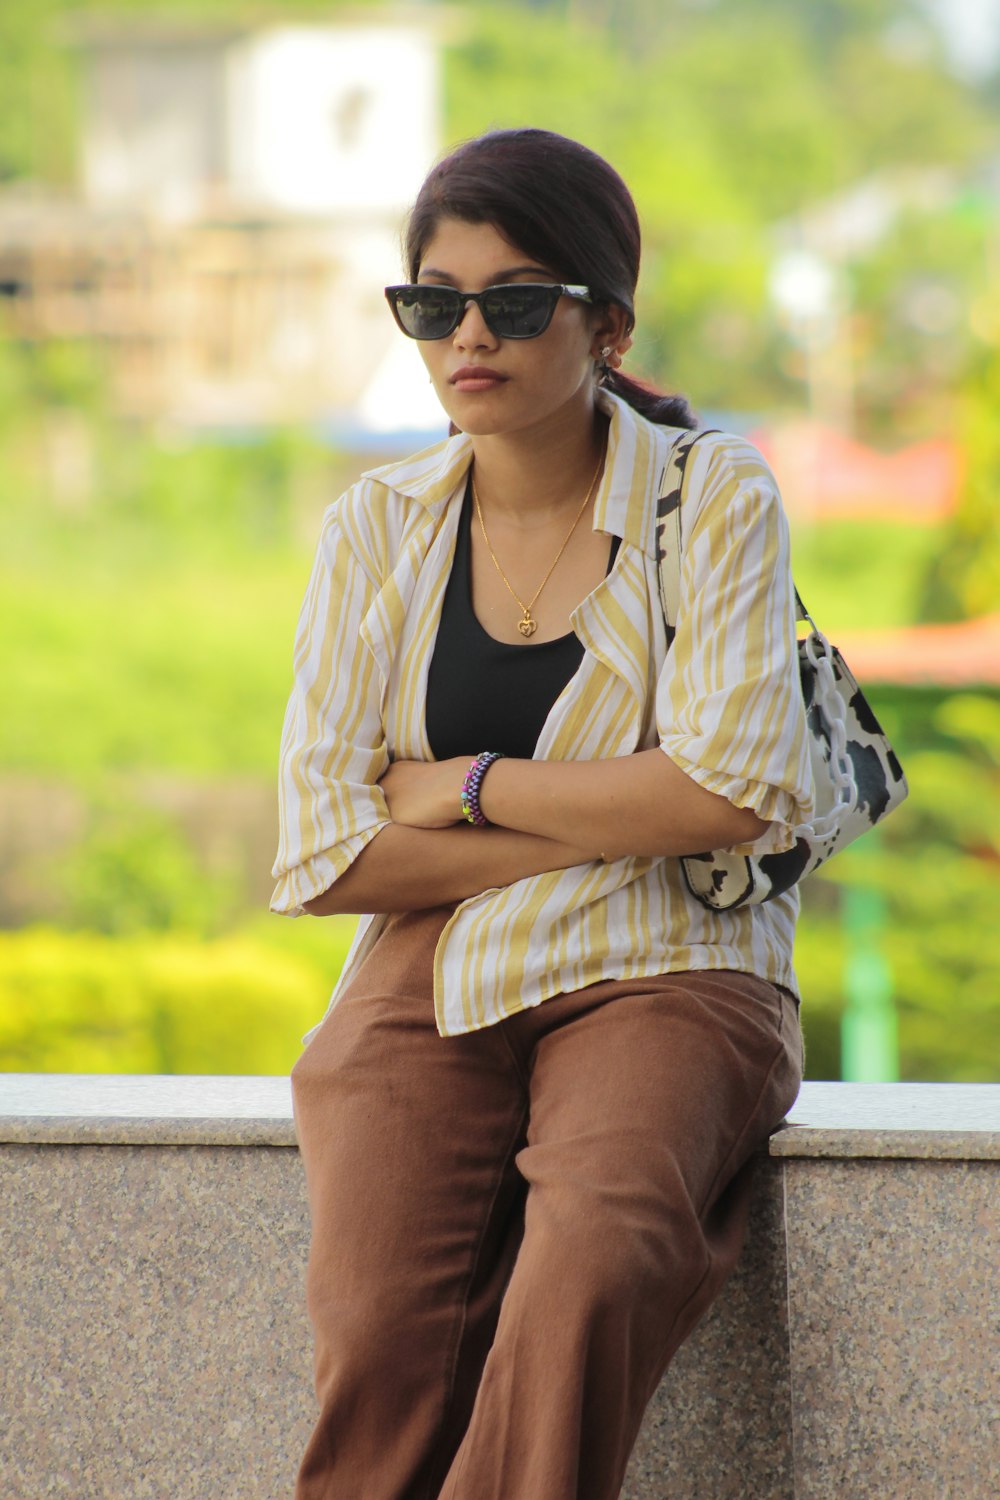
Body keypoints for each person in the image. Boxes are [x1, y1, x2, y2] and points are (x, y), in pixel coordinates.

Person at [271, 127, 813, 1500]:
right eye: (432, 304)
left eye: (516, 303)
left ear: (607, 322)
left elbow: (734, 791)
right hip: (435, 961)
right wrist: (631, 805)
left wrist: (467, 789)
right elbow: (325, 851)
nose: (470, 336)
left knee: (591, 1260)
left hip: (671, 960)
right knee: (377, 1328)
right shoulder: (373, 529)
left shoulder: (713, 496)